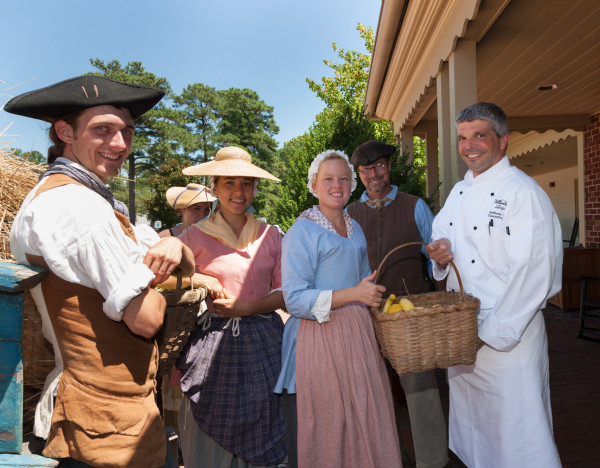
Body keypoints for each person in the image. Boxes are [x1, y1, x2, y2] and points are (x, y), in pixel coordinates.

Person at [6, 75, 195, 468]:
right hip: (101, 426)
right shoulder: (78, 207)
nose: (120, 144)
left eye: (126, 131)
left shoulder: (79, 200)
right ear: (65, 133)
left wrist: (172, 247)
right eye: (102, 130)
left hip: (110, 417)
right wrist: (158, 280)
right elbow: (145, 319)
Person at [425, 102, 562, 467]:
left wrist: (488, 334)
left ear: (503, 140)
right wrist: (438, 254)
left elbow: (535, 273)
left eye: (479, 136)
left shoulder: (523, 193)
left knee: (519, 437)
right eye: (462, 138)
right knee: (476, 434)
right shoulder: (459, 191)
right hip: (464, 334)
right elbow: (441, 238)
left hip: (507, 338)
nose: (469, 145)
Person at [274, 149, 403, 468]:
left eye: (344, 178)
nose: (337, 184)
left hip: (358, 336)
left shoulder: (354, 226)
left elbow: (362, 279)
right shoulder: (301, 232)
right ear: (314, 186)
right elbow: (295, 300)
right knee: (333, 424)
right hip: (321, 338)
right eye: (328, 178)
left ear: (352, 184)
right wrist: (354, 294)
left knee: (366, 416)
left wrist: (372, 296)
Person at [174, 146, 287, 468]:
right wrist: (197, 278)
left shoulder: (271, 235)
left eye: (247, 184)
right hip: (213, 346)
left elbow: (285, 291)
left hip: (265, 342)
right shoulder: (193, 236)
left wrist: (247, 308)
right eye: (229, 183)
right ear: (214, 186)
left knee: (268, 420)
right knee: (211, 433)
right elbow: (159, 279)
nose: (239, 192)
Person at [347, 140, 448, 468]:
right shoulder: (349, 214)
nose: (373, 174)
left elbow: (437, 262)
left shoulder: (415, 206)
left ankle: (432, 461)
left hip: (409, 318)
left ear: (389, 166)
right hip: (363, 315)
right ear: (359, 174)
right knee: (369, 393)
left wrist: (442, 306)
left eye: (379, 166)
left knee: (421, 390)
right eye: (366, 169)